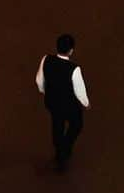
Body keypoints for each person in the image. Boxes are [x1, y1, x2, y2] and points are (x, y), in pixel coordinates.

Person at [36, 33, 90, 171]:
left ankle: (59, 152)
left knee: (57, 124)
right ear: (71, 50)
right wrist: (86, 103)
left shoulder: (46, 59)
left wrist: (44, 91)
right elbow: (79, 90)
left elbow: (39, 80)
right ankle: (66, 147)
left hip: (52, 102)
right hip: (69, 105)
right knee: (76, 125)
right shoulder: (74, 69)